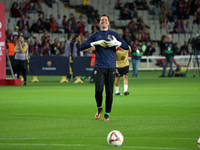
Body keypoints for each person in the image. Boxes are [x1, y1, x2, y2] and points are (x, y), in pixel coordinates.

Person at [80, 14, 129, 121]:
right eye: (102, 20)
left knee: (109, 92)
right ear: (99, 22)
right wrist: (95, 43)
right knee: (98, 90)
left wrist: (117, 43)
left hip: (111, 67)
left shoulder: (114, 34)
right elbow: (82, 46)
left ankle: (107, 114)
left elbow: (126, 46)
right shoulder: (95, 35)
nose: (104, 21)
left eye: (106, 20)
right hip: (99, 66)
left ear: (108, 22)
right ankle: (99, 108)